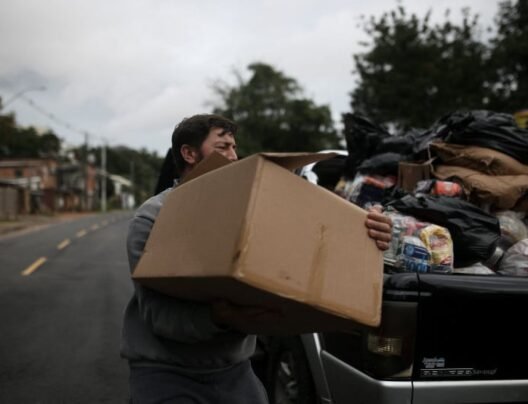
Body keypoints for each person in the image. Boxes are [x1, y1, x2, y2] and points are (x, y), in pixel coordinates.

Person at [121, 114, 393, 404]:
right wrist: (222, 316)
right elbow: (158, 315)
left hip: (235, 372)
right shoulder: (152, 218)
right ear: (189, 153)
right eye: (223, 146)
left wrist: (367, 229)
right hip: (166, 374)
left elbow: (312, 239)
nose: (234, 156)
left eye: (234, 147)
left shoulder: (250, 208)